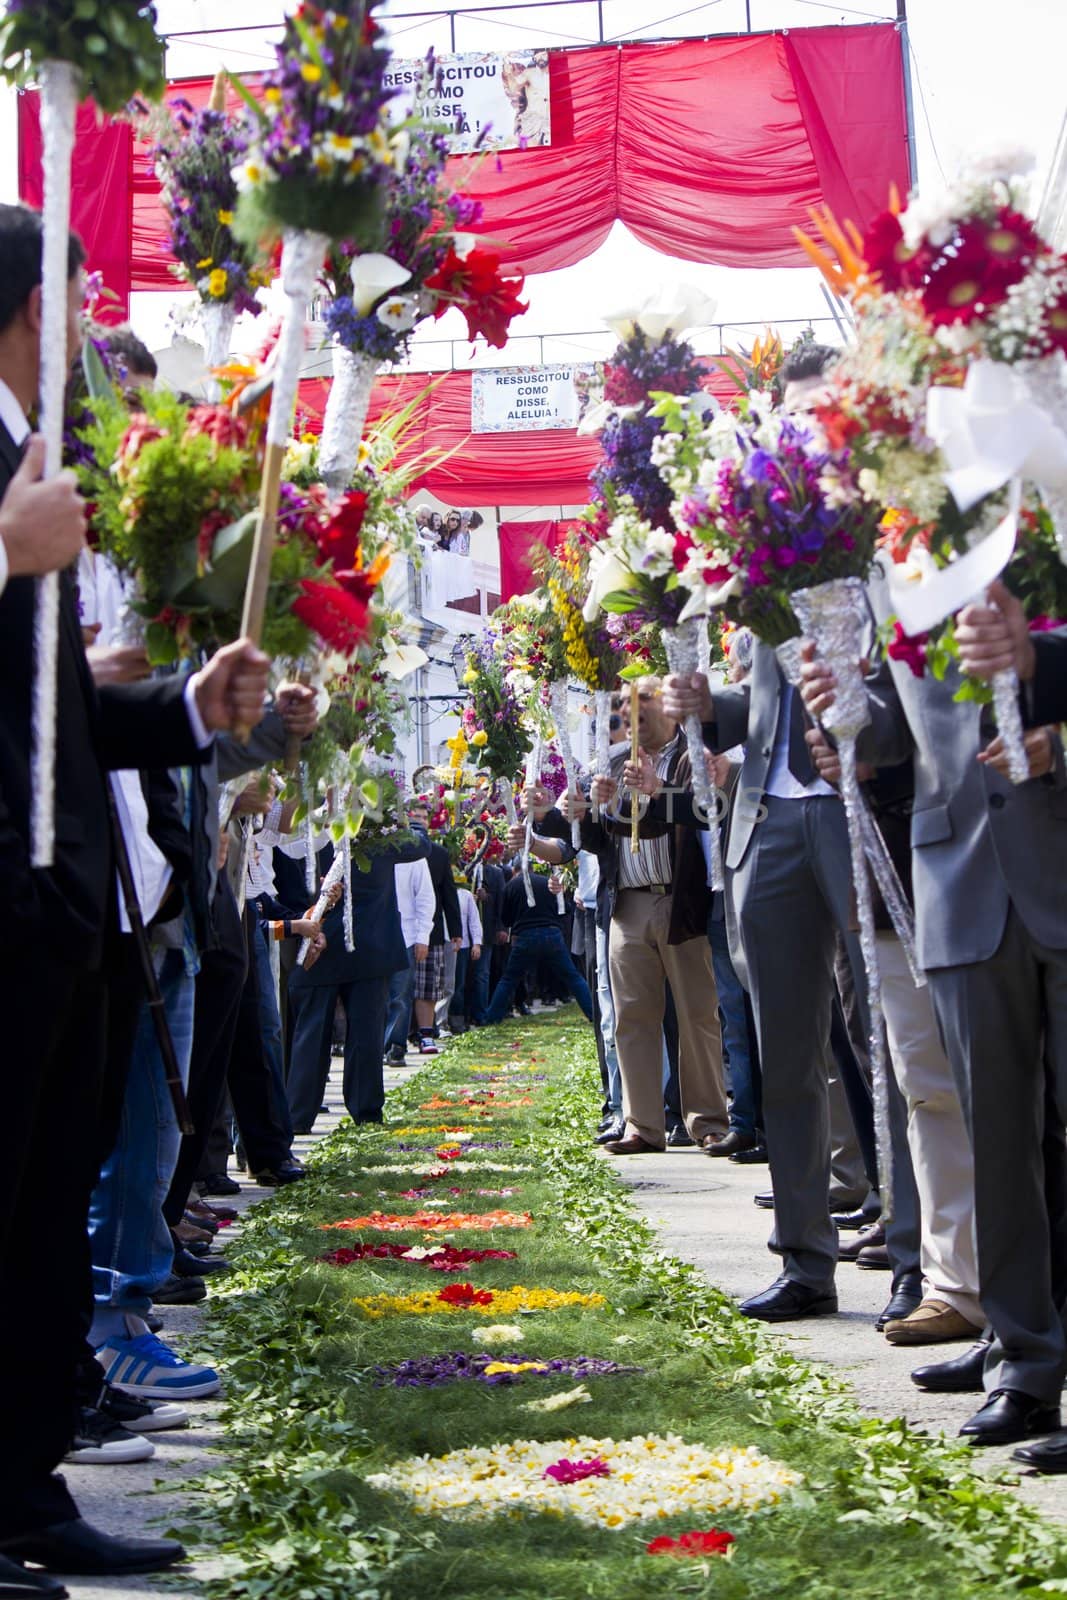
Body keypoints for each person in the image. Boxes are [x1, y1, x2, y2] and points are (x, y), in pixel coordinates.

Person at [0, 201, 270, 1582]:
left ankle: (25, 1483)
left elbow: (54, 699)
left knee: (46, 1195)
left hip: (69, 888)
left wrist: (184, 706)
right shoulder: (15, 483)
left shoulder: (26, 457)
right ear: (32, 314)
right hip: (17, 885)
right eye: (69, 303)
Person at [800, 552, 1067, 1459]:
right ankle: (1025, 1367)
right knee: (996, 1143)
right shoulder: (908, 544)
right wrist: (841, 706)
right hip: (957, 878)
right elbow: (896, 726)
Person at [562, 681, 728, 1155]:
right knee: (632, 1018)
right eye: (623, 708)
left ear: (669, 710)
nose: (628, 715)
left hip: (680, 900)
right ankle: (642, 1124)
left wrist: (656, 790)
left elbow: (706, 811)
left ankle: (707, 1120)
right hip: (628, 902)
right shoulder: (613, 761)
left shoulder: (693, 753)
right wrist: (586, 812)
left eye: (640, 705)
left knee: (697, 1015)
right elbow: (600, 838)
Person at [286, 826, 431, 1132]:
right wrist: (394, 822)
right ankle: (364, 1113)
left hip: (322, 940)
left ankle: (299, 1115)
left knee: (315, 1035)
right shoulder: (377, 839)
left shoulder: (308, 829)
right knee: (361, 1036)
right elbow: (421, 843)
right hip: (352, 943)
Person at [483, 866, 594, 1025]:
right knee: (573, 977)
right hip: (552, 933)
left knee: (508, 979)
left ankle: (492, 1017)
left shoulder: (511, 886)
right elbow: (565, 909)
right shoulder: (547, 883)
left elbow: (506, 919)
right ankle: (593, 1013)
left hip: (525, 936)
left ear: (516, 871)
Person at [407, 799, 462, 1055]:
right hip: (399, 928)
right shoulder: (393, 850)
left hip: (433, 931)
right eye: (413, 816)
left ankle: (426, 1034)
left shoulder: (438, 854)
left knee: (428, 986)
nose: (418, 821)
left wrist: (457, 932)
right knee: (400, 988)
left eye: (422, 817)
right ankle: (399, 1036)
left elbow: (449, 895)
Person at [384, 856, 435, 1065]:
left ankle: (395, 1045)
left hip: (406, 934)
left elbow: (425, 897)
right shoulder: (367, 847)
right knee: (371, 996)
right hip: (372, 935)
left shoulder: (414, 856)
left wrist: (423, 936)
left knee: (400, 995)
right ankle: (372, 1045)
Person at [448, 874, 483, 1032]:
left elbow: (474, 920)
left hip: (463, 946)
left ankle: (458, 1019)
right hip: (444, 943)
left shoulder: (466, 895)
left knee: (459, 984)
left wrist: (476, 943)